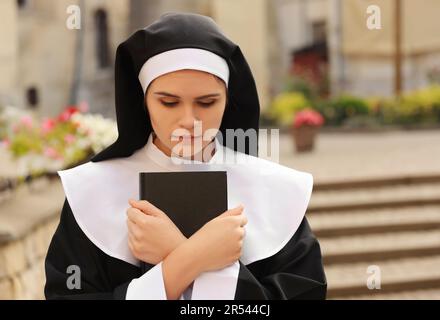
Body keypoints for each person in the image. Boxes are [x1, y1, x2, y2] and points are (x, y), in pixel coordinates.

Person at [44, 12, 327, 300]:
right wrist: (191, 259)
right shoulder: (92, 191)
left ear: (228, 100)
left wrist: (179, 253)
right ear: (144, 101)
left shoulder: (275, 190)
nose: (189, 120)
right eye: (168, 102)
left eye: (206, 102)